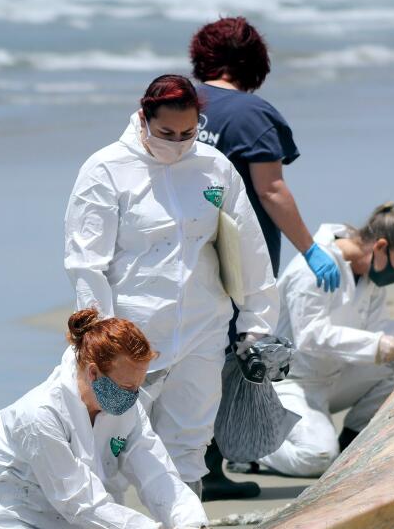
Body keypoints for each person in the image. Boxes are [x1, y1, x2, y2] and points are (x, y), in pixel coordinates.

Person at [63, 74, 279, 497]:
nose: (178, 142)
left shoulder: (214, 166)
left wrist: (257, 323)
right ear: (144, 119)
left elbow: (248, 248)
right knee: (111, 442)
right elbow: (86, 262)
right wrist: (101, 336)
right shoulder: (106, 168)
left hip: (203, 325)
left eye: (187, 132)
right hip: (133, 334)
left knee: (189, 440)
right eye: (166, 133)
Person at [190, 16, 341, 499]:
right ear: (254, 63)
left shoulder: (177, 104)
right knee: (227, 359)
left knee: (189, 358)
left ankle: (188, 470)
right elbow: (270, 189)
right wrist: (312, 249)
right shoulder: (251, 114)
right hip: (234, 261)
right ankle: (207, 472)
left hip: (177, 257)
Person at [0, 310, 210, 529]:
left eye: (138, 386)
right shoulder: (40, 414)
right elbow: (74, 498)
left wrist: (187, 518)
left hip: (68, 507)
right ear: (93, 373)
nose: (133, 396)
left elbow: (154, 470)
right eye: (126, 387)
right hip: (9, 511)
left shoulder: (126, 407)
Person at [258, 203, 394, 478]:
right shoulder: (313, 269)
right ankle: (252, 447)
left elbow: (376, 329)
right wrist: (377, 345)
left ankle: (353, 438)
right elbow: (311, 336)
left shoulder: (371, 277)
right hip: (292, 383)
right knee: (317, 457)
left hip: (334, 376)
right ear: (380, 247)